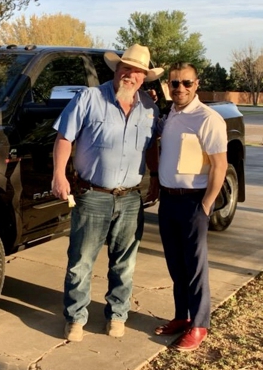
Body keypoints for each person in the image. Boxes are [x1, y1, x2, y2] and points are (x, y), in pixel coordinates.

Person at [51, 44, 163, 342]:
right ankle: (75, 318)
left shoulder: (150, 109)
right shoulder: (89, 98)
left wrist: (155, 178)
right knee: (81, 262)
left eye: (138, 71)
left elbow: (151, 147)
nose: (131, 75)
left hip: (130, 197)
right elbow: (64, 138)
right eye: (126, 68)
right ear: (117, 70)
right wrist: (59, 175)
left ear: (144, 78)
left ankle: (117, 315)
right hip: (93, 195)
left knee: (124, 263)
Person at [154, 62, 227, 352]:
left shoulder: (207, 118)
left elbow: (220, 165)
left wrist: (207, 204)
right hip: (169, 199)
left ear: (196, 85)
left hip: (194, 200)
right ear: (168, 86)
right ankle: (181, 317)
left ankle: (199, 325)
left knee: (195, 266)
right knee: (176, 264)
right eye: (174, 83)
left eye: (186, 83)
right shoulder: (170, 113)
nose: (180, 88)